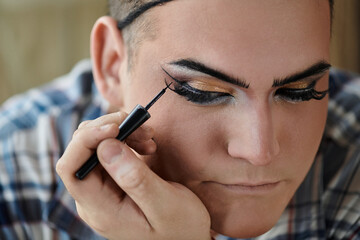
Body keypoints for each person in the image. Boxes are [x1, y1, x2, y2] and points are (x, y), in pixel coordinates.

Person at [0, 0, 359, 239]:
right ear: (111, 64)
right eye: (203, 91)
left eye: (300, 90)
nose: (259, 151)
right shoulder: (13, 167)